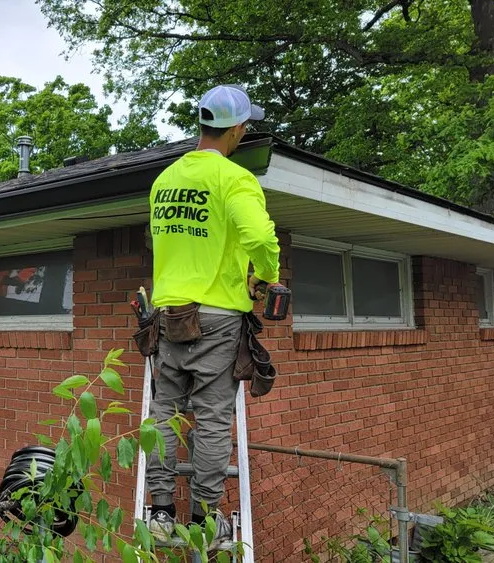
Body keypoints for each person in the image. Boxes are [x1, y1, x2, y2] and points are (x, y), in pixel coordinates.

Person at [145, 84, 282, 548]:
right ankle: (205, 519)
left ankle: (161, 514)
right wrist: (265, 277)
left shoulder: (164, 180)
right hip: (219, 317)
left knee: (164, 412)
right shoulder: (234, 179)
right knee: (212, 418)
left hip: (170, 315)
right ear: (238, 130)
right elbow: (261, 240)